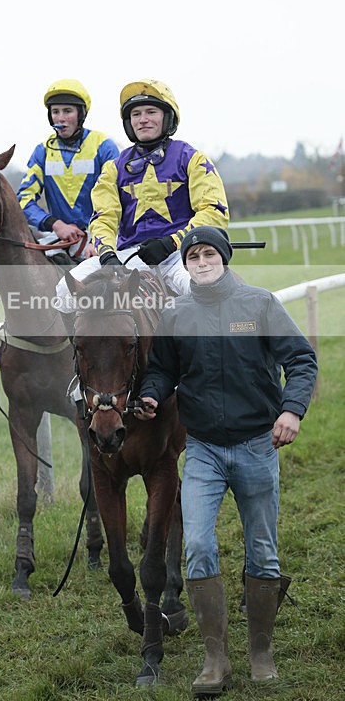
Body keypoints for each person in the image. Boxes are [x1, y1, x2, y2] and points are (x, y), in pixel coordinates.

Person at [134, 225, 318, 697]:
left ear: (224, 258)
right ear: (186, 265)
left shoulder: (260, 304)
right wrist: (152, 394)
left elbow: (301, 360)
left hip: (258, 445)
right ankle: (215, 659)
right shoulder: (176, 314)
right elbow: (162, 370)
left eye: (209, 254)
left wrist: (292, 410)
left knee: (263, 550)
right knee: (197, 545)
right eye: (193, 256)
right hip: (203, 450)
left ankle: (261, 652)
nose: (202, 262)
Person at [56, 78, 229, 302]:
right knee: (64, 290)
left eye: (151, 112)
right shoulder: (113, 168)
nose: (142, 120)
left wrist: (171, 242)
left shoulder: (192, 159)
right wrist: (107, 254)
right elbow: (103, 218)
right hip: (130, 256)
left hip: (181, 254)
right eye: (136, 114)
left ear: (167, 117)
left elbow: (214, 211)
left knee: (199, 286)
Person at [17, 79, 119, 259]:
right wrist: (55, 224)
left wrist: (99, 239)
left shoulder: (104, 146)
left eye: (67, 111)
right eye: (55, 112)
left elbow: (118, 198)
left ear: (81, 114)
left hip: (100, 235)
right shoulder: (42, 151)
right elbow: (24, 199)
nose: (60, 118)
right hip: (59, 235)